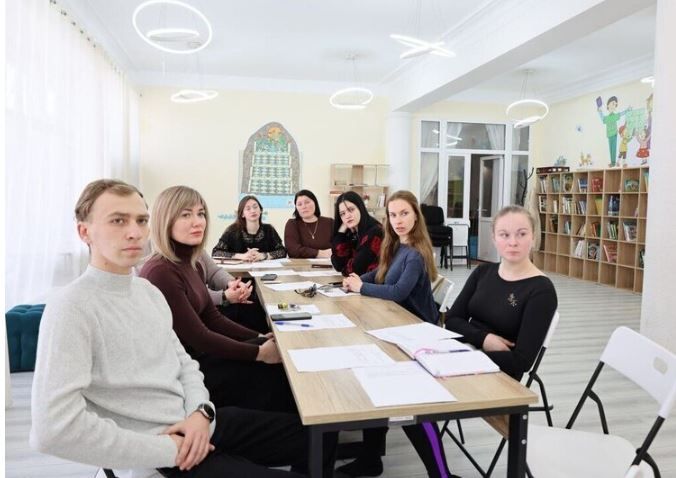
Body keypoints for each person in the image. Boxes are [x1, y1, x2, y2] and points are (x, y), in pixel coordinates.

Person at [29, 179, 316, 478]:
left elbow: (184, 364)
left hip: (195, 421)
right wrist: (168, 449)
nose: (134, 232)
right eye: (118, 220)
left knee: (317, 436)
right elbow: (52, 430)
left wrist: (201, 413)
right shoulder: (70, 306)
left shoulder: (147, 292)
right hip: (162, 450)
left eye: (141, 220)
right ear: (84, 232)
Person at [140, 186, 295, 413]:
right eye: (186, 215)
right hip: (188, 372)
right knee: (279, 378)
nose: (197, 222)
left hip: (203, 356)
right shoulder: (161, 271)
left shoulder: (191, 262)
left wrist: (258, 337)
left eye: (201, 213)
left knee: (282, 365)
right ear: (165, 220)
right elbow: (200, 337)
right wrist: (259, 352)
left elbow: (213, 319)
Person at [341, 191, 454, 478]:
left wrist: (361, 288)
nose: (398, 220)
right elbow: (381, 274)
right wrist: (358, 280)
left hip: (419, 337)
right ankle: (370, 458)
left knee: (411, 403)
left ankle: (440, 474)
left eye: (404, 213)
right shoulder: (396, 246)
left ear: (416, 215)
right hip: (396, 327)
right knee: (372, 378)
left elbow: (398, 292)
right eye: (393, 215)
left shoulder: (414, 253)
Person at [445, 205, 558, 380]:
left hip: (497, 376)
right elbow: (452, 320)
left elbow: (521, 361)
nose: (513, 242)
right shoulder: (483, 272)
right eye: (504, 235)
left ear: (534, 237)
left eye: (521, 234)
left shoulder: (541, 290)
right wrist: (484, 339)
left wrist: (470, 357)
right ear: (494, 238)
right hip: (461, 358)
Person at [199, 250, 269, 333]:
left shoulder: (198, 251)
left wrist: (232, 283)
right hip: (199, 312)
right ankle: (260, 338)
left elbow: (214, 272)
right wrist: (223, 296)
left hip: (209, 303)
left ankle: (263, 337)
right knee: (247, 312)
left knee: (252, 303)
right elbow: (193, 293)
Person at [212, 195, 286, 261]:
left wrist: (263, 256)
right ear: (242, 214)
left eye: (255, 207)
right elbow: (215, 253)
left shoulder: (269, 230)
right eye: (248, 209)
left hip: (265, 271)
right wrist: (242, 256)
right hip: (239, 271)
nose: (253, 211)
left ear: (260, 210)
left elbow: (282, 251)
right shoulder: (232, 231)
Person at [331, 191, 383, 276]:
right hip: (359, 282)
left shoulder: (376, 232)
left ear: (360, 208)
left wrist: (345, 267)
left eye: (351, 210)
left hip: (374, 283)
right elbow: (338, 265)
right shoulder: (353, 232)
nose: (347, 216)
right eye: (342, 214)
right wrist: (341, 232)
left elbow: (355, 270)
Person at [284, 189, 334, 258]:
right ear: (296, 208)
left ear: (315, 203)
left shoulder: (330, 222)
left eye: (307, 202)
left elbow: (339, 246)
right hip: (300, 264)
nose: (304, 207)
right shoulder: (292, 224)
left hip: (329, 263)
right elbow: (292, 250)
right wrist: (320, 253)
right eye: (299, 204)